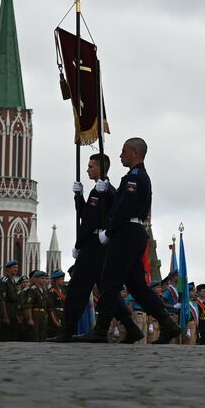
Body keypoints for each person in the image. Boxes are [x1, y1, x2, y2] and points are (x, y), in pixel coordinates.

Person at [73, 137, 183, 344]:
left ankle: (101, 330)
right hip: (131, 232)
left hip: (126, 233)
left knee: (108, 282)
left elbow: (124, 208)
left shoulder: (135, 177)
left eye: (123, 151)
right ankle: (168, 325)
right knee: (137, 286)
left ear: (134, 153)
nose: (120, 155)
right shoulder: (135, 176)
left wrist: (111, 231)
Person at [56, 153, 140, 344]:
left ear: (101, 169)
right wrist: (79, 197)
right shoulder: (97, 190)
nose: (87, 169)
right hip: (97, 245)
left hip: (95, 245)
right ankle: (132, 328)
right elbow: (87, 214)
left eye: (91, 166)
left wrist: (79, 245)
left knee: (77, 287)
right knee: (107, 290)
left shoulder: (106, 189)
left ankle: (66, 331)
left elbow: (110, 211)